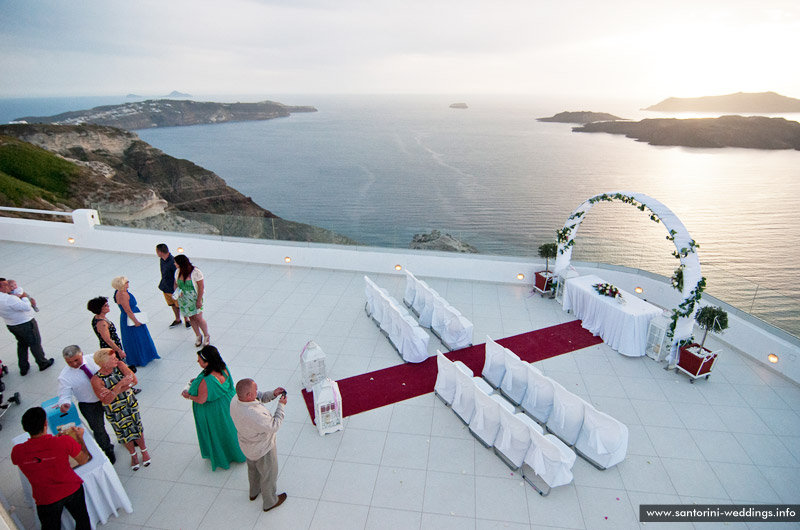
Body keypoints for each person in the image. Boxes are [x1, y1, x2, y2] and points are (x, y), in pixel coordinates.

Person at [11, 407, 91, 530]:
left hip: (45, 497)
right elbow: (83, 459)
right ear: (45, 424)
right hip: (71, 489)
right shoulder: (64, 441)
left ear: (25, 428)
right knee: (82, 520)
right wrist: (80, 438)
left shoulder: (17, 451)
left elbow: (19, 460)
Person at [181, 346, 246, 470]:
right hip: (228, 402)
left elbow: (201, 399)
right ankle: (238, 451)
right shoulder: (223, 367)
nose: (197, 362)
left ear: (207, 362)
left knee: (218, 432)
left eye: (199, 360)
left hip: (214, 410)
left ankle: (224, 455)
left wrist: (188, 395)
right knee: (230, 428)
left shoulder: (207, 380)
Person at [230, 378, 287, 512]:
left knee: (253, 469)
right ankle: (270, 502)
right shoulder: (254, 414)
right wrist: (281, 406)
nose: (257, 392)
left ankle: (254, 492)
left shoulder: (235, 400)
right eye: (255, 390)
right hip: (263, 448)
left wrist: (272, 394)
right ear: (249, 395)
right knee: (268, 474)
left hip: (247, 445)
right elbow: (274, 425)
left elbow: (258, 396)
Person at [91, 348, 151, 471]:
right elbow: (106, 401)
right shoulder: (96, 380)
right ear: (103, 363)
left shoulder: (120, 365)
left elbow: (134, 381)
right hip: (114, 410)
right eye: (113, 359)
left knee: (137, 427)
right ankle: (133, 455)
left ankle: (144, 451)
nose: (117, 360)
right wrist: (120, 384)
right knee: (122, 433)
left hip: (129, 403)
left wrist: (113, 391)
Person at [57, 345, 116, 464]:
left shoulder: (94, 360)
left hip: (109, 397)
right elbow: (64, 393)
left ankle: (126, 438)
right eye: (70, 362)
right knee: (98, 429)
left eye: (76, 360)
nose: (74, 364)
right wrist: (65, 403)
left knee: (118, 419)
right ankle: (107, 449)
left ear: (81, 354)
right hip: (89, 404)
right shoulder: (64, 376)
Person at [0, 277, 54, 375]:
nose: (9, 286)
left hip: (11, 324)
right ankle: (42, 363)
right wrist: (24, 297)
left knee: (22, 344)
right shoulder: (9, 299)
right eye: (6, 285)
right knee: (35, 343)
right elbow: (26, 307)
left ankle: (23, 367)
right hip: (25, 323)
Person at [111, 276, 160, 368]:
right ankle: (140, 358)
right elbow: (128, 310)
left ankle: (143, 356)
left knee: (137, 337)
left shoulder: (120, 292)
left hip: (131, 315)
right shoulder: (123, 294)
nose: (128, 283)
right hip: (131, 317)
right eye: (126, 282)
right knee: (136, 338)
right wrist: (136, 321)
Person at [173, 255, 211, 347]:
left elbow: (201, 287)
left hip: (194, 297)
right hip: (184, 299)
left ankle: (206, 335)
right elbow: (176, 284)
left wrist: (199, 300)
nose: (174, 264)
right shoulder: (178, 271)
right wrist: (177, 292)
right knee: (191, 317)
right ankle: (198, 335)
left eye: (176, 262)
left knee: (198, 317)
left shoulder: (196, 272)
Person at [155, 244, 190, 329]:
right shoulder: (162, 260)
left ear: (159, 252)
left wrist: (179, 288)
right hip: (166, 286)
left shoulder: (173, 262)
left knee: (180, 304)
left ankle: (187, 320)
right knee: (172, 304)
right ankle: (177, 319)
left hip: (174, 288)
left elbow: (178, 276)